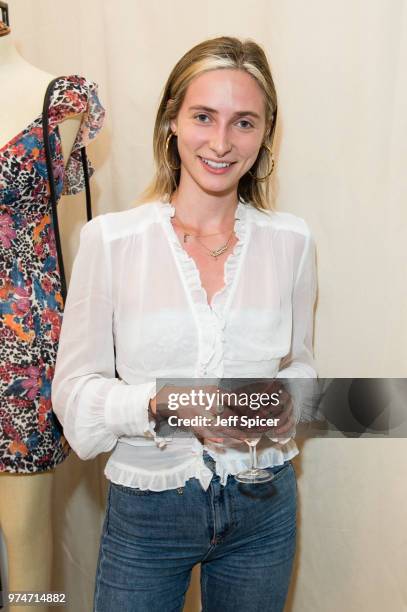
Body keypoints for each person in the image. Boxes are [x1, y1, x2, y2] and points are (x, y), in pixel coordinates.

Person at [51, 36, 317, 612]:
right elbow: (72, 398)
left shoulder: (291, 241)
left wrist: (284, 401)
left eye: (244, 122)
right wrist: (163, 403)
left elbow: (300, 364)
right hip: (147, 513)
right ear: (172, 120)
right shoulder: (111, 242)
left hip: (264, 503)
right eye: (203, 116)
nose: (221, 143)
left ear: (266, 134)